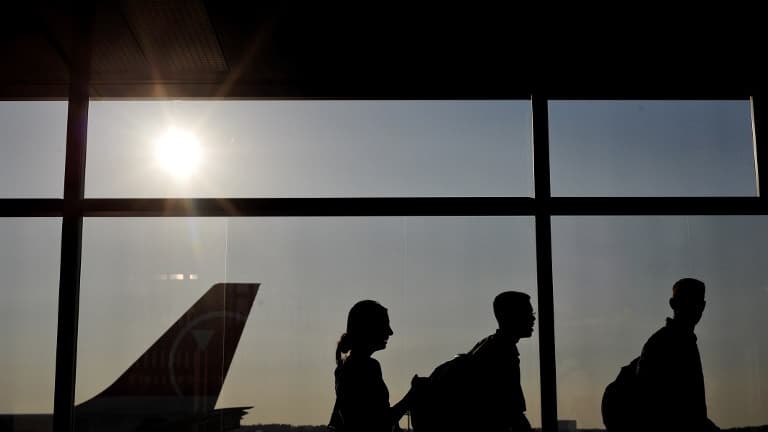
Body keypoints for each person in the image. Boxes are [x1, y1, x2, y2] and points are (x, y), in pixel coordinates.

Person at [636, 278, 720, 431]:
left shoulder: (685, 343)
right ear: (673, 304)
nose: (695, 307)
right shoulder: (660, 345)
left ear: (703, 306)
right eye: (688, 301)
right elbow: (649, 405)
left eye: (698, 302)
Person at [328, 300, 411, 432]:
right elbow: (380, 423)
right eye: (385, 325)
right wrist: (412, 396)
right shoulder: (366, 368)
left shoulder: (346, 367)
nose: (390, 332)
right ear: (368, 328)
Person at [466, 290, 535, 431]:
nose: (533, 319)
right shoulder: (503, 353)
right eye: (527, 314)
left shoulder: (487, 345)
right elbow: (514, 413)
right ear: (509, 316)